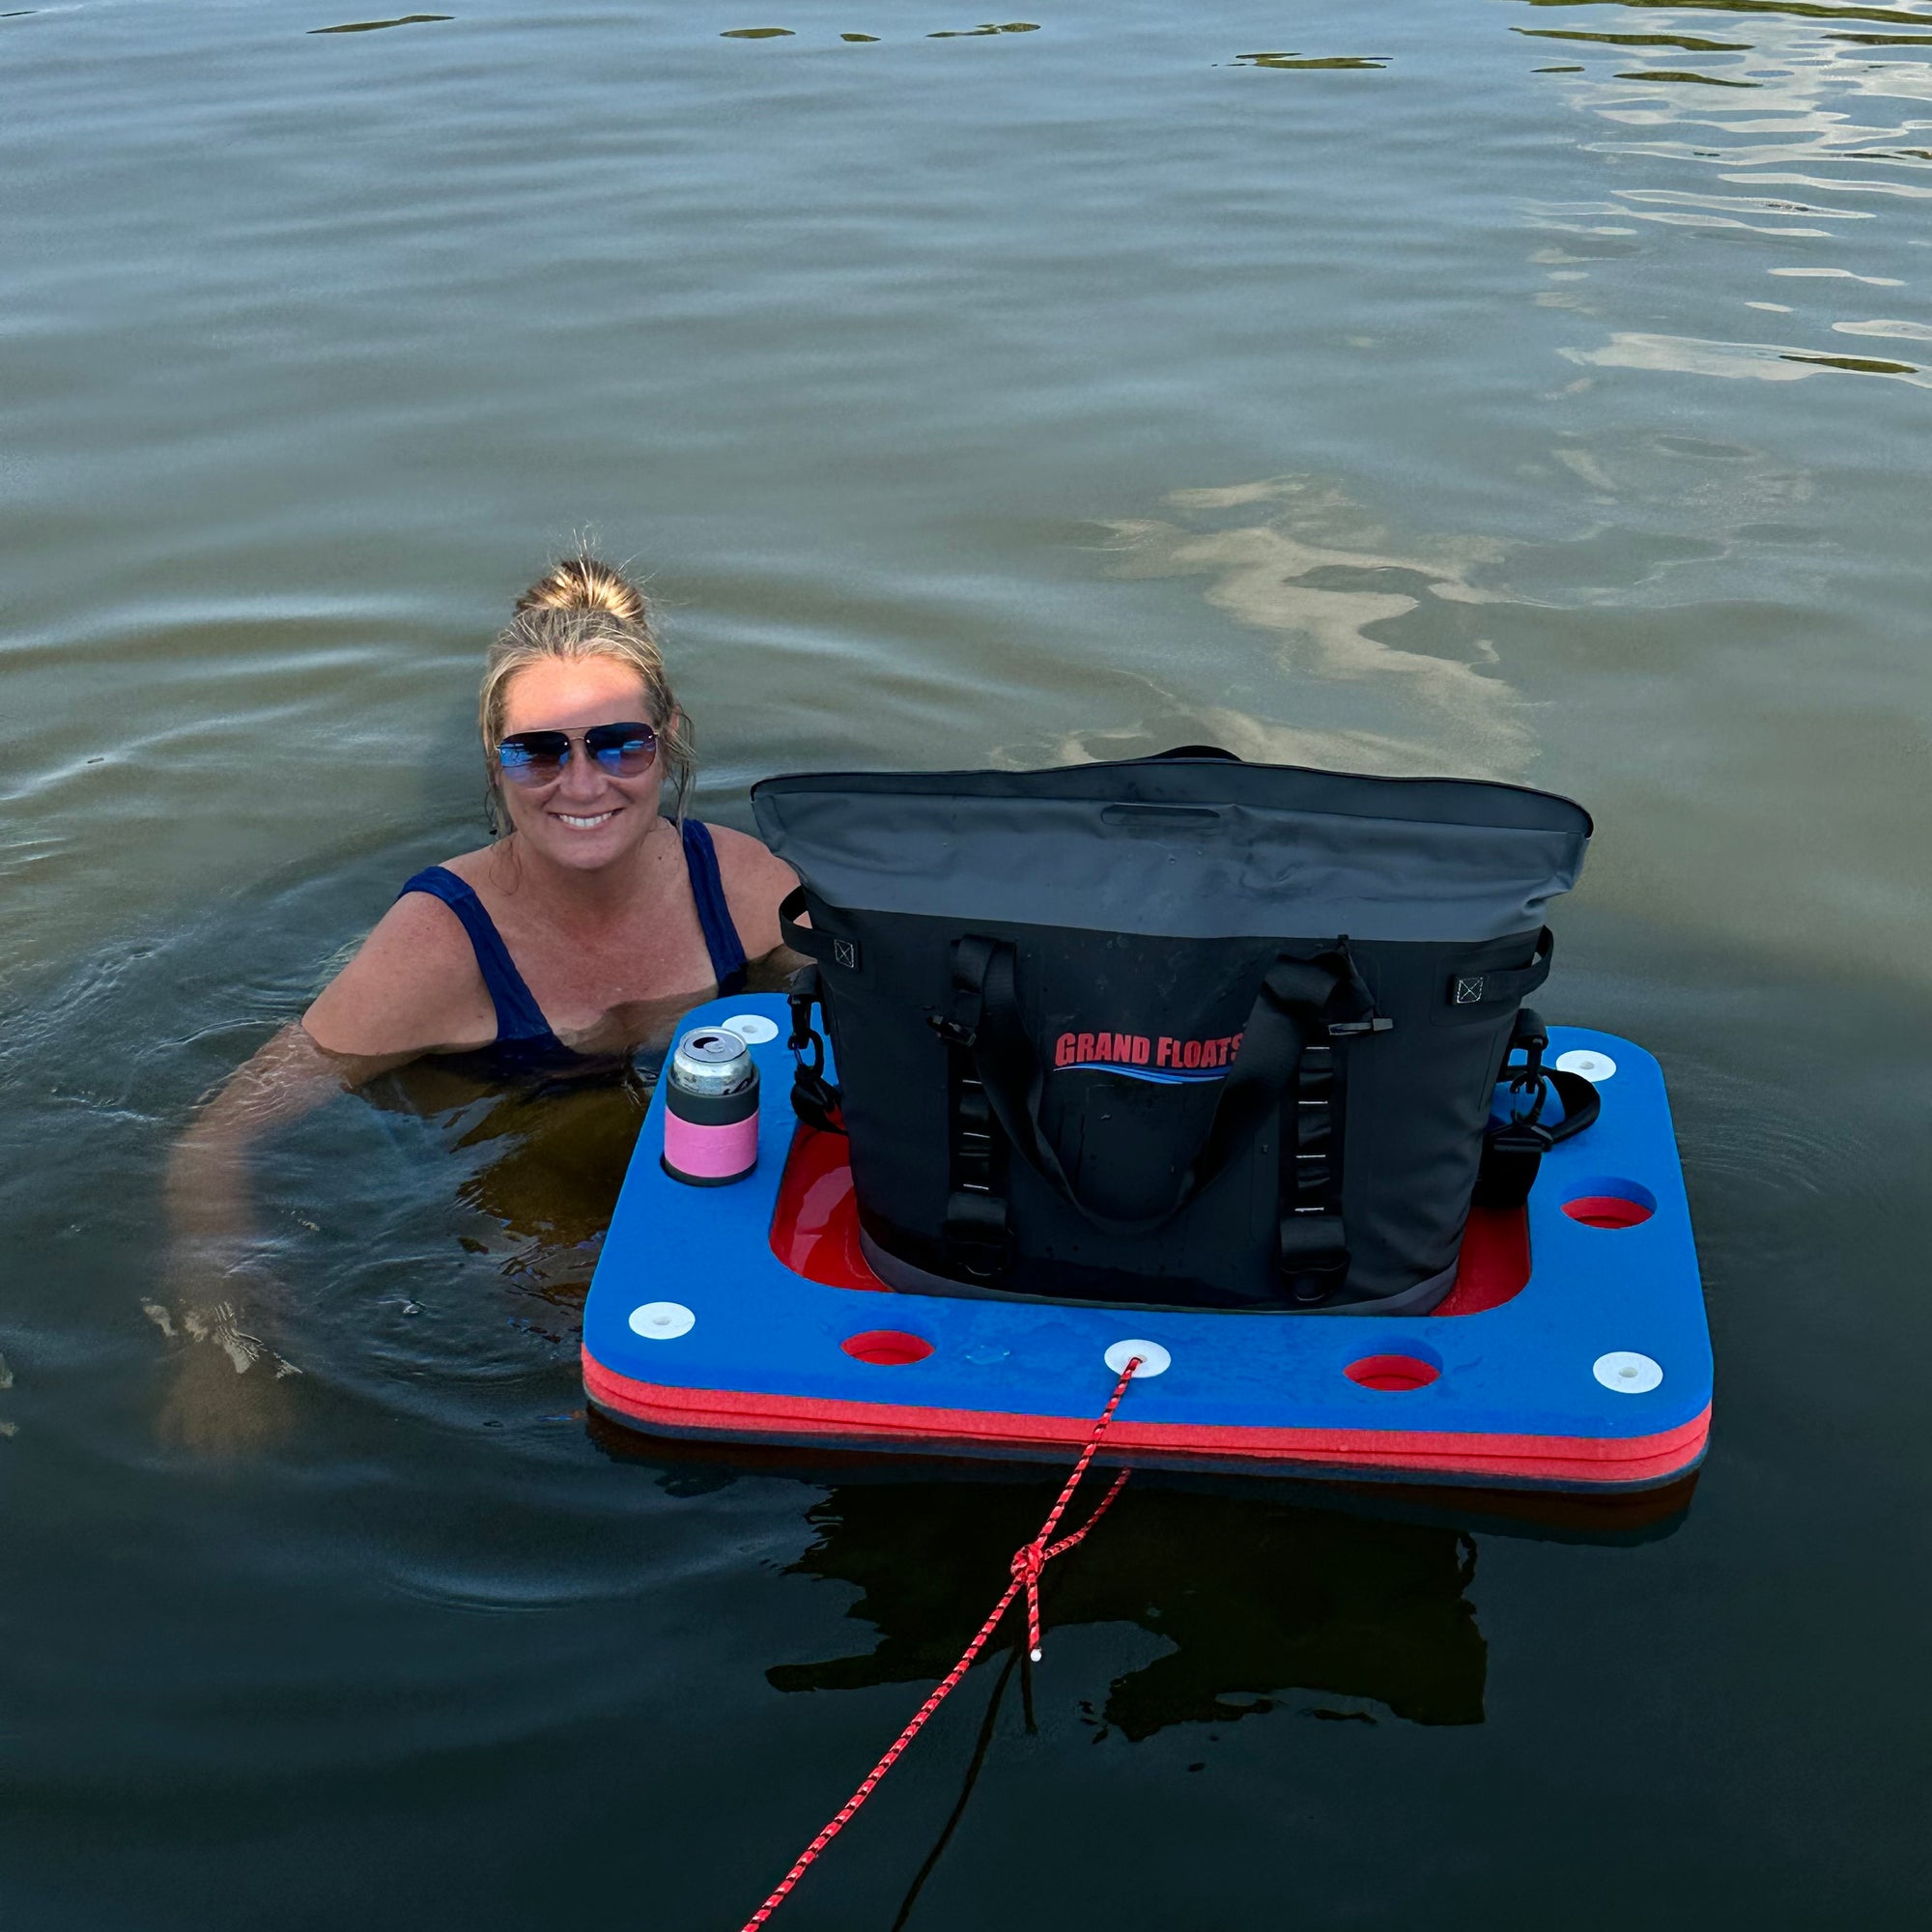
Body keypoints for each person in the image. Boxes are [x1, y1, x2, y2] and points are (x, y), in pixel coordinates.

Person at [158, 554, 800, 1446]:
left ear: (669, 738)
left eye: (619, 744)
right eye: (539, 750)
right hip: (515, 1154)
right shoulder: (435, 948)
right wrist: (221, 1341)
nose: (582, 785)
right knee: (589, 1381)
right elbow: (216, 1139)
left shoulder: (744, 885)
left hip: (691, 1139)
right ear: (493, 763)